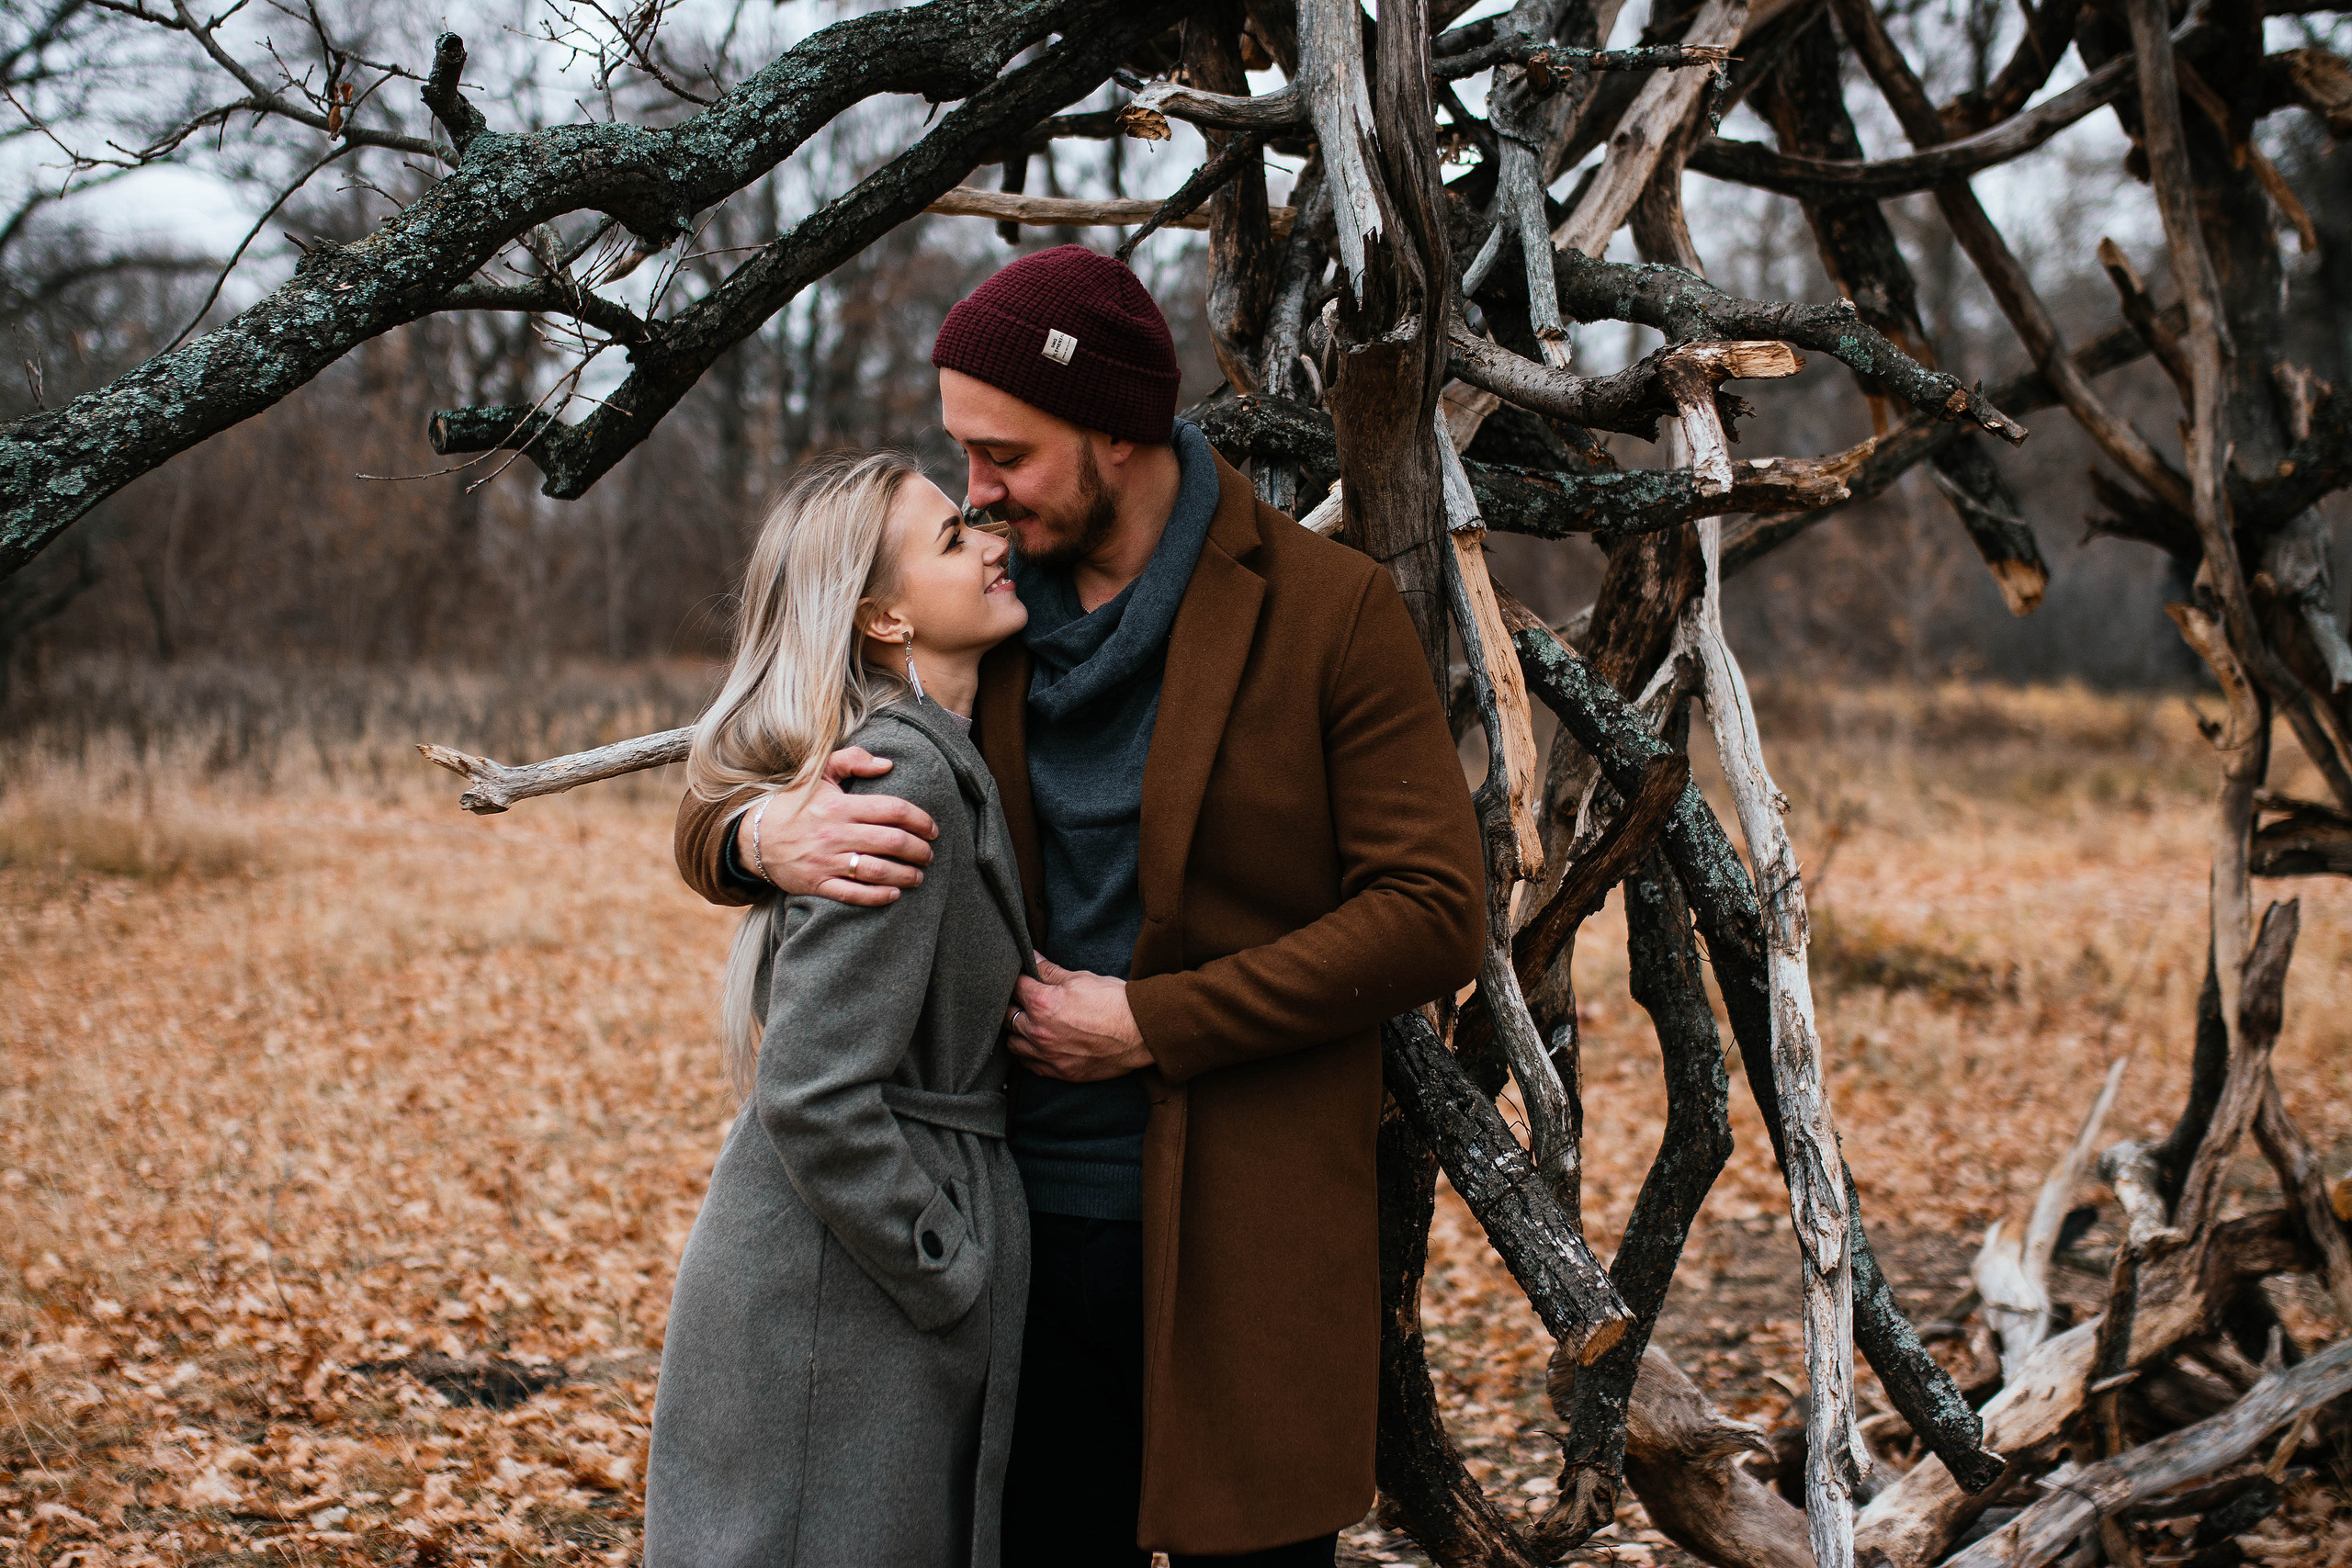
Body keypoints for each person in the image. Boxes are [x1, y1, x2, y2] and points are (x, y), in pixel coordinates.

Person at [673, 246, 1485, 1564]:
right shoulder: (973, 618)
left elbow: (1435, 909)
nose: (978, 492)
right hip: (1013, 1249)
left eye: (1004, 455)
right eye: (964, 456)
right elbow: (769, 738)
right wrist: (754, 833)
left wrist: (1154, 1021)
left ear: (1116, 431)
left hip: (1247, 1231)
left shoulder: (1327, 612)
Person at [643, 449, 1035, 1568]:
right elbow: (812, 1091)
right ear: (884, 619)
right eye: (954, 540)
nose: (994, 543)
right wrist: (941, 1260)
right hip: (840, 1285)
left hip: (855, 1273)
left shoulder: (937, 745)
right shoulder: (900, 781)